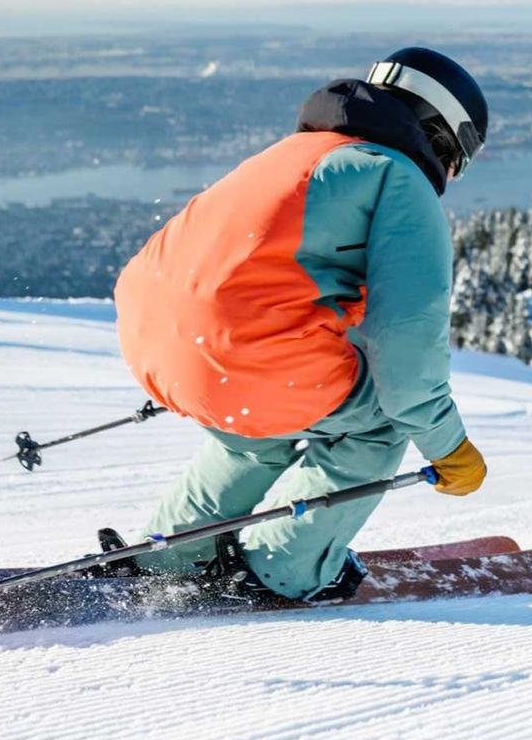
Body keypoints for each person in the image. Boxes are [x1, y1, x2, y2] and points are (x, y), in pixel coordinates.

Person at [112, 48, 490, 601]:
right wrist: (447, 445)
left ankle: (174, 554)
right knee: (382, 419)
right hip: (245, 358)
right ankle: (286, 569)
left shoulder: (299, 154)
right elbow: (407, 352)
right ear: (440, 131)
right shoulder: (397, 178)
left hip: (156, 342)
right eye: (462, 156)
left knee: (253, 437)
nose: (454, 174)